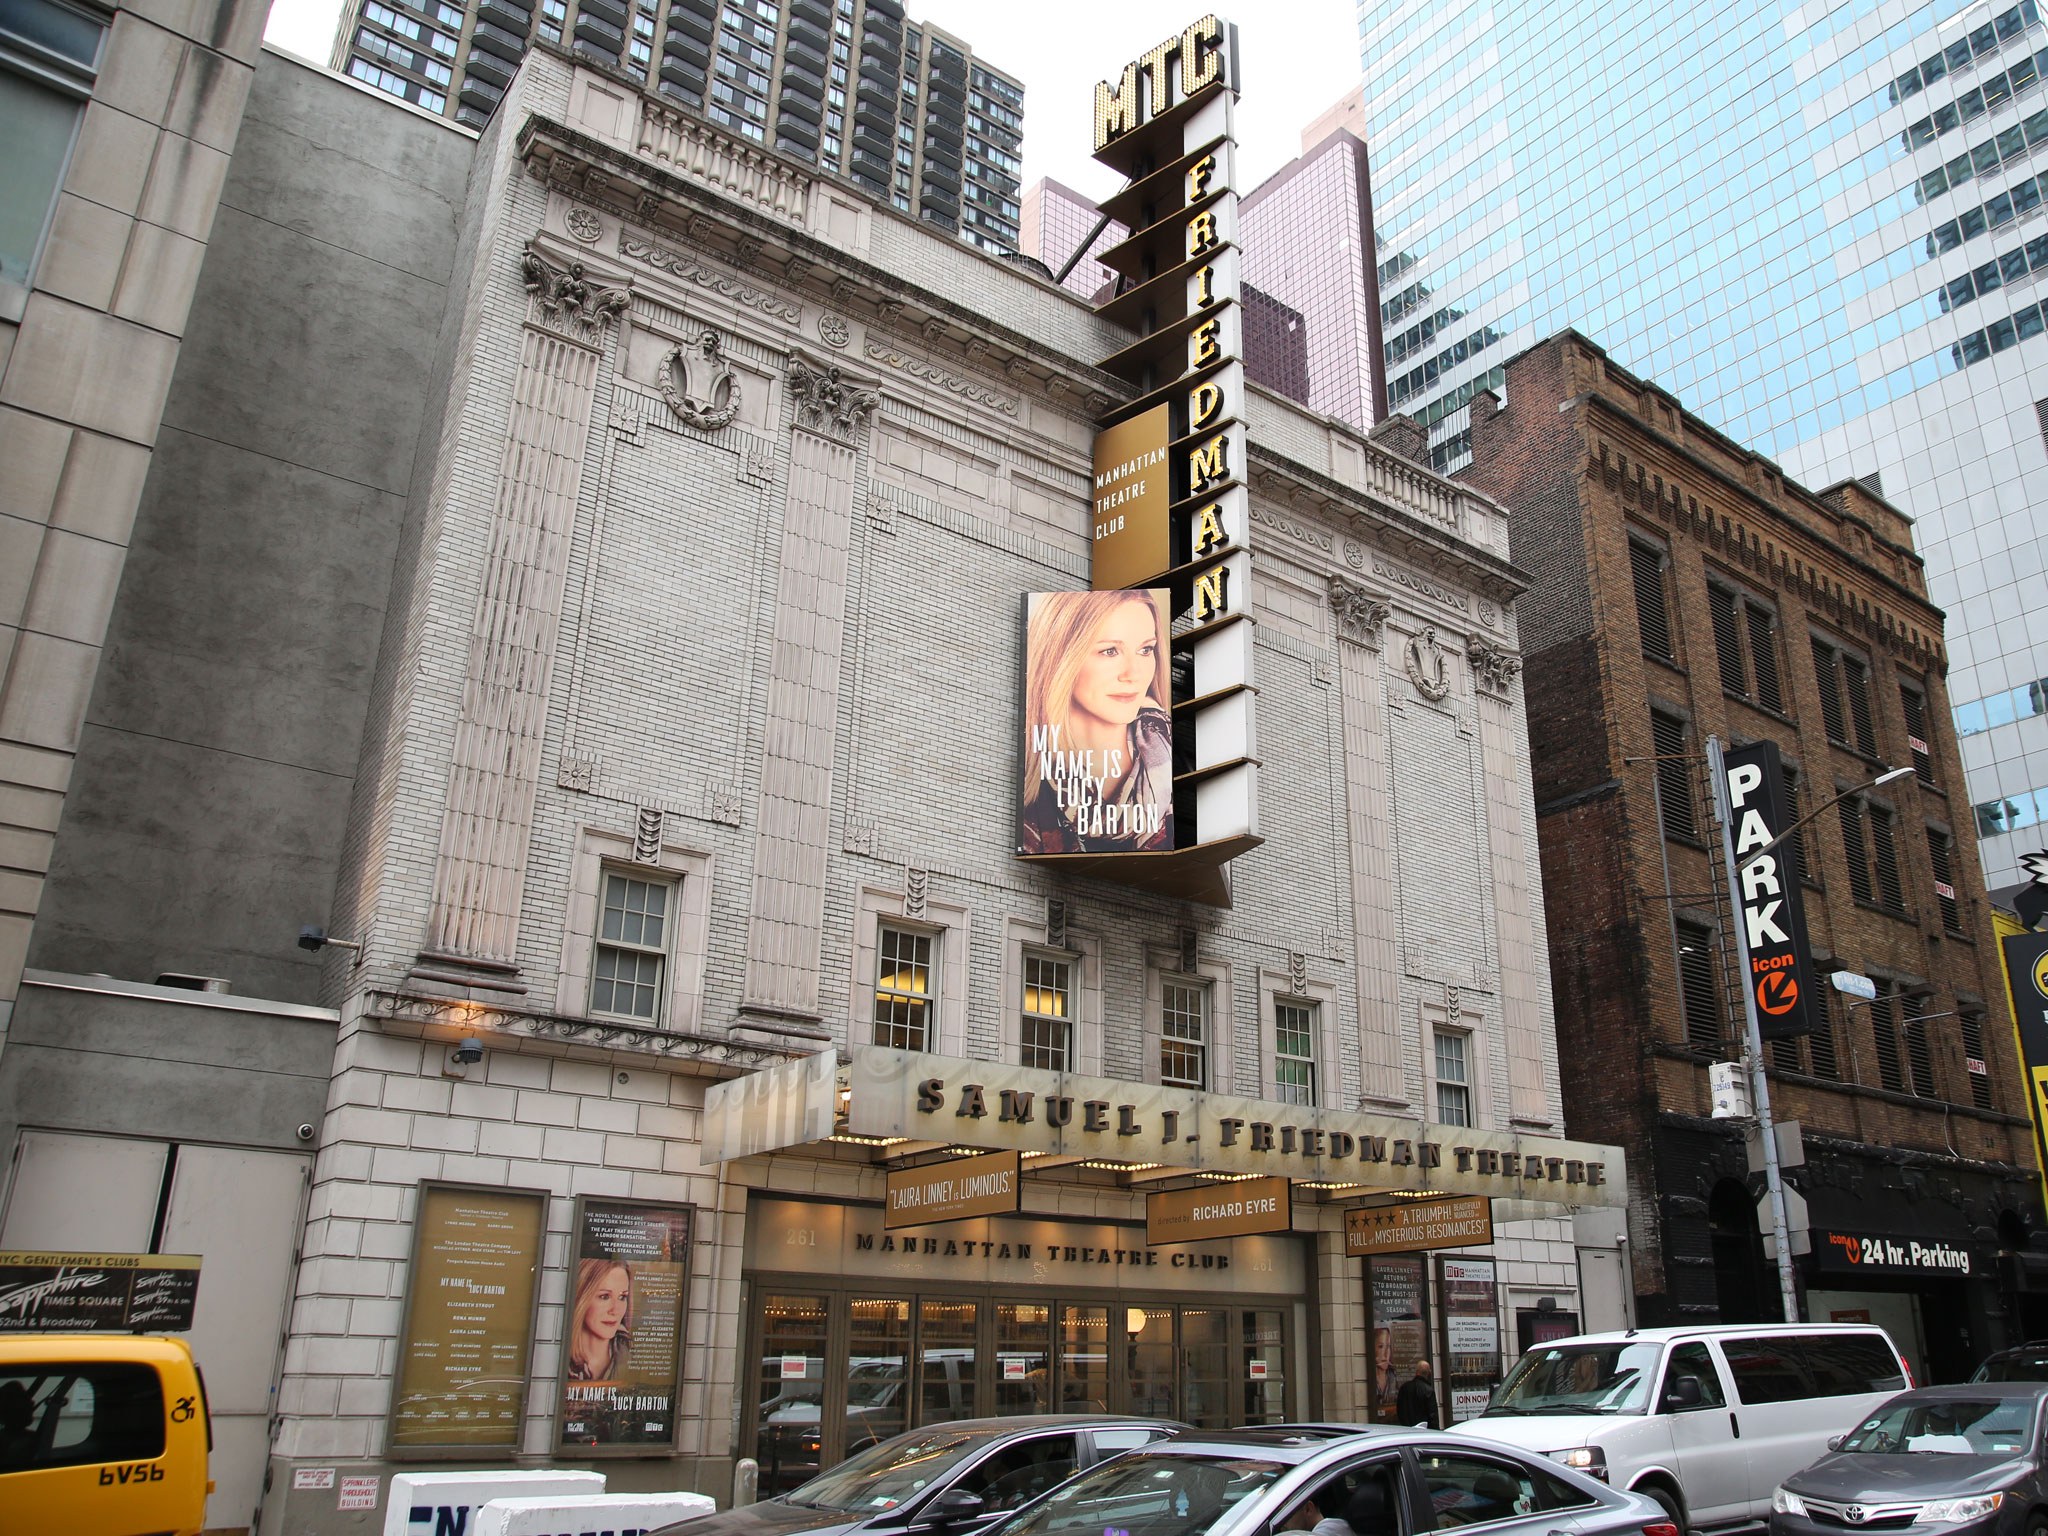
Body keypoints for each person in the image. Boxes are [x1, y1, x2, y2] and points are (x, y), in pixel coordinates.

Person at [1019, 589, 1174, 854]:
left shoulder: (1171, 749)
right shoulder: (1031, 792)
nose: (1133, 674)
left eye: (1146, 649)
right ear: (1058, 657)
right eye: (1110, 651)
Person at [566, 1258, 633, 1381]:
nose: (616, 1310)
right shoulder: (559, 1359)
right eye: (605, 1297)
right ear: (581, 1297)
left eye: (622, 1297)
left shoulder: (632, 1355)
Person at [1396, 1358, 1439, 1429]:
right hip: (1424, 1431)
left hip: (1406, 1430)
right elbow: (1433, 1416)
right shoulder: (1428, 1390)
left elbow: (1399, 1410)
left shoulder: (1404, 1388)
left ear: (1416, 1372)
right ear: (1429, 1373)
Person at [1371, 1327, 1398, 1417]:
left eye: (1388, 1346)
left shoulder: (1392, 1375)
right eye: (1381, 1347)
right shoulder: (1369, 1376)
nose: (1386, 1354)